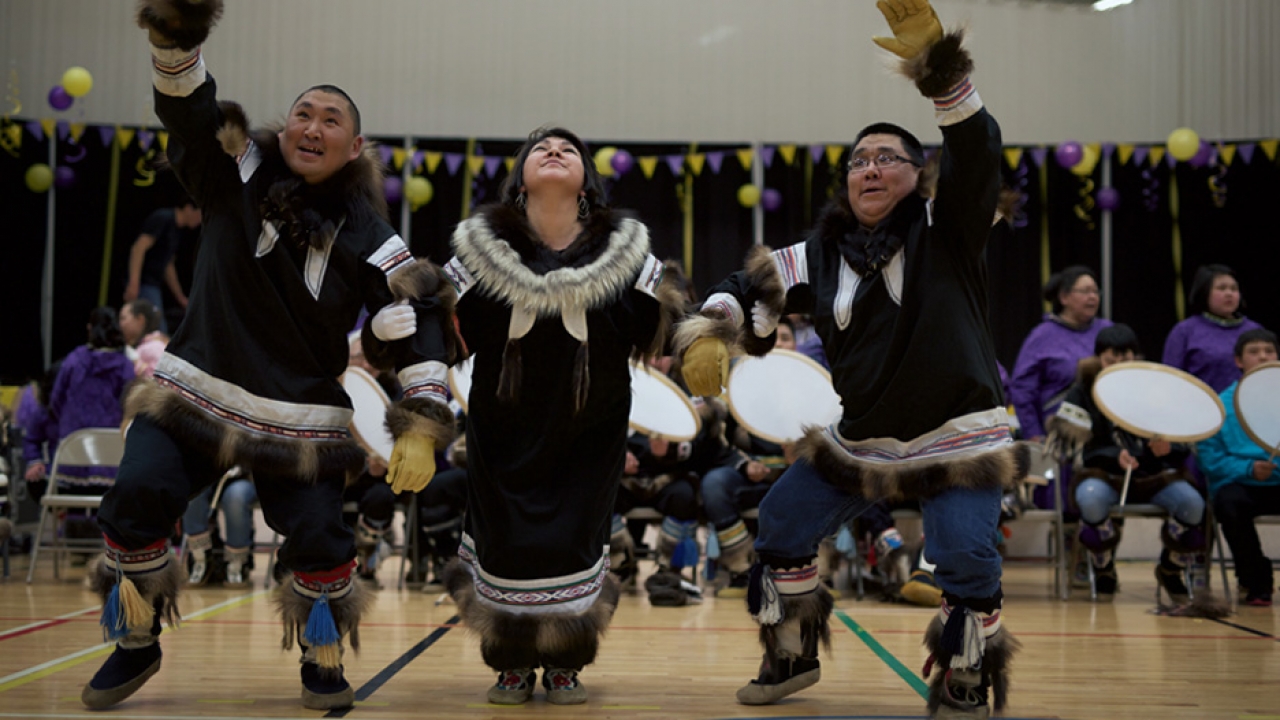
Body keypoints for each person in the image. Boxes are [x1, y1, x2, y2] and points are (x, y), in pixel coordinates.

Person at [84, 1, 458, 711]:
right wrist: (177, 36)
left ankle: (321, 655)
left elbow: (418, 320)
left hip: (301, 415)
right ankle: (135, 639)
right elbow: (190, 113)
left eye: (331, 120)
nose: (312, 127)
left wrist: (423, 422)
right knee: (134, 498)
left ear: (355, 148)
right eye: (303, 114)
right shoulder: (236, 172)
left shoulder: (374, 237)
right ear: (284, 127)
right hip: (194, 391)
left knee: (320, 533)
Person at [675, 2, 1023, 716]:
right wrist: (711, 329)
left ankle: (966, 669)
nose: (869, 168)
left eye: (887, 158)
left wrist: (943, 73)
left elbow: (979, 150)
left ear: (918, 173)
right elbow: (748, 285)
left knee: (965, 555)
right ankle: (794, 650)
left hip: (957, 434)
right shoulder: (820, 252)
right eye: (858, 159)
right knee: (780, 525)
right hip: (863, 437)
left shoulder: (947, 226)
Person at [439, 126, 683, 706]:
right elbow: (437, 327)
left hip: (589, 430)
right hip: (503, 429)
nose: (553, 151)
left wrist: (702, 344)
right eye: (540, 148)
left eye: (568, 148)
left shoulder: (626, 254)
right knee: (505, 542)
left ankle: (567, 658)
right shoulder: (478, 250)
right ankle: (511, 659)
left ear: (587, 182)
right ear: (520, 177)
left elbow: (666, 321)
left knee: (575, 541)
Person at [1047, 324, 1207, 604]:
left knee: (1193, 505)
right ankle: (1103, 567)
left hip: (1155, 476)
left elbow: (1186, 438)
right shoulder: (1083, 389)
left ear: (1136, 356)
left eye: (1126, 357)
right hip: (1102, 476)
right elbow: (1069, 443)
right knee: (1091, 499)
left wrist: (1170, 448)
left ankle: (1170, 569)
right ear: (1098, 358)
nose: (1120, 364)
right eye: (1112, 359)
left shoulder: (1158, 388)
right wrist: (1113, 455)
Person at [1198, 328, 1279, 607]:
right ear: (1239, 361)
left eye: (1269, 351)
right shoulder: (1221, 404)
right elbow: (1209, 459)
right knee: (1229, 505)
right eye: (1254, 352)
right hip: (1242, 484)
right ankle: (1255, 579)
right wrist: (1248, 469)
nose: (1263, 357)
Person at [1010, 265, 1113, 443]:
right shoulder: (1042, 336)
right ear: (1064, 297)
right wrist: (1033, 433)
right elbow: (1023, 390)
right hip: (1059, 435)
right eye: (1085, 291)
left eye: (1096, 291)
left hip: (1107, 431)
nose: (1093, 297)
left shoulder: (1108, 330)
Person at [1162, 264, 1263, 393]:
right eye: (1221, 288)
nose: (1229, 293)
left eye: (1234, 289)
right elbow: (1170, 380)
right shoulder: (1185, 331)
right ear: (1204, 292)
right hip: (1201, 408)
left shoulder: (1254, 330)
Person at [123, 200, 201, 335]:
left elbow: (167, 265)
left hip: (153, 284)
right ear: (189, 208)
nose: (200, 220)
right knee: (157, 330)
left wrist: (180, 297)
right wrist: (134, 283)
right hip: (143, 282)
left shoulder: (178, 230)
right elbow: (139, 248)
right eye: (200, 214)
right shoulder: (163, 218)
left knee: (151, 329)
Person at [181, 467, 257, 587]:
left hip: (243, 477)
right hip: (206, 475)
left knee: (236, 498)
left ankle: (237, 563)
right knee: (192, 493)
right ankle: (200, 558)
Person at [119, 299, 170, 378]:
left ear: (140, 319)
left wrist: (135, 361)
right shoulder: (149, 344)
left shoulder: (154, 347)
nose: (120, 324)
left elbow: (156, 380)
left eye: (123, 318)